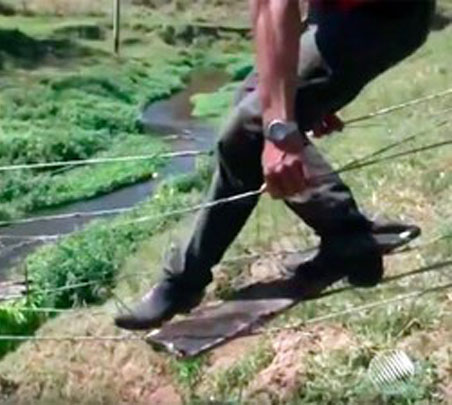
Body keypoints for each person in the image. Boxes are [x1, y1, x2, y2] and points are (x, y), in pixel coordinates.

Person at [115, 0, 436, 330]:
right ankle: (346, 234)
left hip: (380, 14)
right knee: (250, 104)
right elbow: (266, 13)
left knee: (252, 124)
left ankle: (183, 282)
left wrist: (281, 129)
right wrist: (301, 93)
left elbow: (274, 6)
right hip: (332, 15)